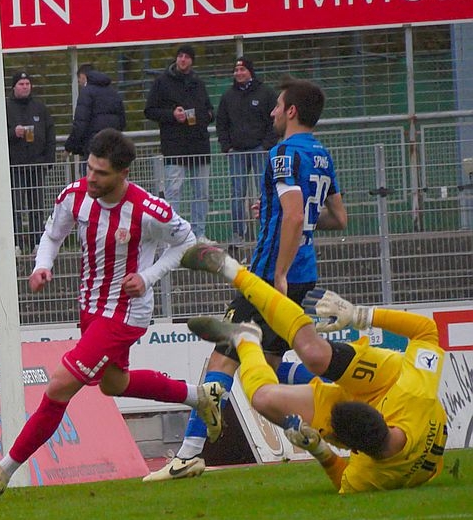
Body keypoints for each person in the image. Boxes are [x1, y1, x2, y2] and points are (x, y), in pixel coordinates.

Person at [0, 129, 223, 496]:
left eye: (101, 173)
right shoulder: (75, 196)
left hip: (125, 313)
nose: (92, 178)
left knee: (59, 385)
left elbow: (188, 241)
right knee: (114, 384)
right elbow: (53, 235)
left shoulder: (149, 210)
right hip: (90, 308)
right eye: (89, 168)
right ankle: (199, 396)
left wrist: (148, 277)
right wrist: (42, 265)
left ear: (123, 173)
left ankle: (2, 473)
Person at [145, 77, 347, 482]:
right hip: (303, 273)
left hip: (272, 276)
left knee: (223, 357)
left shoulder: (283, 153)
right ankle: (342, 400)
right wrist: (277, 214)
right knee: (266, 368)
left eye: (278, 106)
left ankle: (189, 454)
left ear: (291, 111)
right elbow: (336, 218)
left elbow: (294, 215)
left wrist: (280, 270)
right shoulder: (321, 154)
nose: (272, 112)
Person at [181, 242, 448, 493]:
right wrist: (360, 315)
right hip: (387, 382)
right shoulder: (415, 393)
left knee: (264, 399)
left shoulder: (368, 476)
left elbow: (342, 478)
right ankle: (231, 269)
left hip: (390, 409)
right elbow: (426, 331)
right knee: (314, 354)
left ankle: (244, 338)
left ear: (355, 450)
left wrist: (320, 449)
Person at [144, 44, 213, 239]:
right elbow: (149, 110)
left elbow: (209, 111)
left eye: (187, 57)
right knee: (174, 191)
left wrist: (202, 116)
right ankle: (173, 235)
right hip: (174, 146)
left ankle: (199, 234)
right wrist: (172, 115)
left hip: (199, 145)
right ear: (176, 58)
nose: (183, 60)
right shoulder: (162, 82)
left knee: (201, 193)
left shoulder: (198, 83)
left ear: (192, 61)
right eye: (180, 56)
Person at [216, 56, 277, 243]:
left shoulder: (265, 93)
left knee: (264, 191)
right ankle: (238, 234)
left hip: (260, 150)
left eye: (242, 69)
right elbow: (221, 123)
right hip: (237, 151)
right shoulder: (228, 96)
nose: (238, 73)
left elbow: (274, 120)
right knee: (237, 194)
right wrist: (227, 146)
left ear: (250, 71)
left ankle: (266, 230)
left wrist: (267, 145)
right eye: (236, 70)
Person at [6, 70, 56, 253]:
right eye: (21, 84)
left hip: (36, 164)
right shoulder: (6, 107)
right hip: (14, 166)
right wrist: (13, 133)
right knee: (15, 206)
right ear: (14, 87)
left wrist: (48, 160)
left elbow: (50, 133)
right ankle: (16, 243)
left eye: (27, 84)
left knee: (37, 205)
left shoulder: (39, 107)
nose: (25, 87)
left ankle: (37, 242)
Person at [64, 64, 125, 169]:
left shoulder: (86, 92)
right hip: (113, 148)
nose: (80, 84)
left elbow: (80, 124)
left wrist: (69, 147)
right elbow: (122, 121)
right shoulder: (113, 92)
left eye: (79, 80)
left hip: (93, 148)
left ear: (83, 76)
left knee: (91, 176)